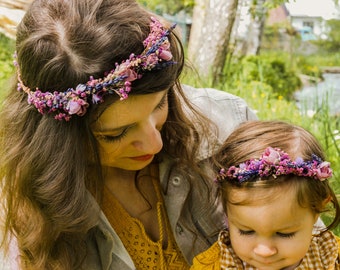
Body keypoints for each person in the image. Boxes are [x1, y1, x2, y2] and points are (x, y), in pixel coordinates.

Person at [0, 0, 257, 269]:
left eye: (159, 104)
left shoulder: (231, 124)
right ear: (57, 140)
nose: (154, 143)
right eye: (117, 133)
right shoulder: (26, 216)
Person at [191, 120, 340, 270]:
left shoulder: (330, 258)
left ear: (318, 208)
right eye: (246, 231)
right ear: (227, 212)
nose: (264, 251)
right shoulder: (214, 265)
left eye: (284, 234)